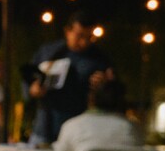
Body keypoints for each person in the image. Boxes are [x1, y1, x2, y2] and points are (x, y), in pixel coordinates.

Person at [25, 12, 113, 144]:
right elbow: (28, 77)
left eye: (89, 37)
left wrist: (104, 84)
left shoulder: (99, 58)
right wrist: (33, 88)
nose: (84, 42)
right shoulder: (49, 52)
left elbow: (111, 92)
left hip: (78, 128)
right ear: (67, 31)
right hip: (45, 126)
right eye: (79, 36)